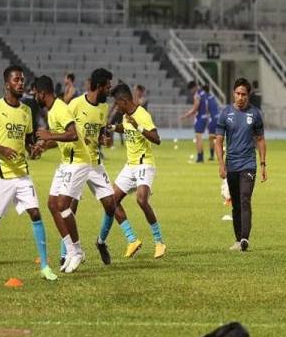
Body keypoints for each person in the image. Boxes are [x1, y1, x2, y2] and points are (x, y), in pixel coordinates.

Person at [0, 65, 57, 284]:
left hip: (22, 174)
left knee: (36, 214)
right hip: (1, 174)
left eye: (22, 80)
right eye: (17, 80)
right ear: (7, 84)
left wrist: (34, 149)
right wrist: (2, 149)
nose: (21, 83)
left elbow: (28, 143)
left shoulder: (27, 111)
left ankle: (45, 267)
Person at [64, 69, 142, 265]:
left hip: (95, 164)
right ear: (99, 86)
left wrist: (104, 140)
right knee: (70, 209)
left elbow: (99, 134)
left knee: (111, 203)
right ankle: (67, 252)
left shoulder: (103, 108)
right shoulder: (75, 104)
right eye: (108, 85)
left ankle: (129, 239)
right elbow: (65, 131)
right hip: (76, 163)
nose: (110, 89)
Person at [34, 75, 89, 274]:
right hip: (66, 162)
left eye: (35, 93)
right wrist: (43, 146)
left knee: (63, 205)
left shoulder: (60, 108)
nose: (34, 97)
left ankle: (78, 250)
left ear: (42, 93)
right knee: (51, 204)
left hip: (79, 161)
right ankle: (73, 251)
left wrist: (49, 135)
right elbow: (59, 140)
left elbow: (73, 134)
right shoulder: (51, 111)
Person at [108, 84, 167, 259]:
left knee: (141, 200)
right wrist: (111, 128)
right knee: (111, 201)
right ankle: (132, 240)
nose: (116, 107)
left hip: (144, 163)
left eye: (117, 103)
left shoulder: (142, 115)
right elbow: (125, 128)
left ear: (124, 101)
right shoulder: (126, 116)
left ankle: (159, 242)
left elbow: (157, 139)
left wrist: (139, 127)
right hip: (130, 165)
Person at [215, 78, 267, 252]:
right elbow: (219, 140)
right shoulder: (225, 114)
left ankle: (245, 238)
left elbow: (260, 139)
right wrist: (221, 164)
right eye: (237, 93)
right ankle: (238, 240)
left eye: (243, 94)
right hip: (232, 165)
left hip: (249, 164)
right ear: (233, 94)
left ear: (248, 95)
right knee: (236, 203)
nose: (240, 97)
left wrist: (263, 164)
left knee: (245, 199)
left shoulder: (255, 114)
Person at [180, 81, 208, 163]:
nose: (191, 92)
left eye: (191, 89)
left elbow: (195, 108)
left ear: (194, 87)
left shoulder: (197, 95)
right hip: (204, 117)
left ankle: (200, 158)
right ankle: (201, 156)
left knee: (198, 137)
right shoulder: (203, 93)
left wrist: (185, 116)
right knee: (200, 137)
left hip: (200, 118)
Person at [203, 84, 220, 161]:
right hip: (218, 118)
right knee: (218, 138)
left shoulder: (205, 98)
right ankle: (220, 155)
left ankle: (212, 155)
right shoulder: (213, 97)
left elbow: (206, 110)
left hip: (212, 119)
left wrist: (205, 120)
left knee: (211, 138)